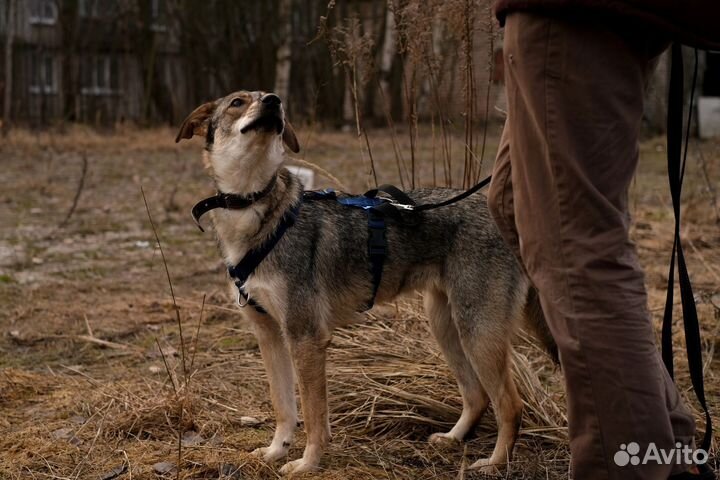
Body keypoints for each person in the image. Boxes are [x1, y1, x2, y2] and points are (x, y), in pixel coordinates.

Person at [488, 2, 720, 479]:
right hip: (569, 15)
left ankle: (635, 466)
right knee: (512, 207)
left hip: (579, 16)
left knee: (579, 251)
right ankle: (668, 451)